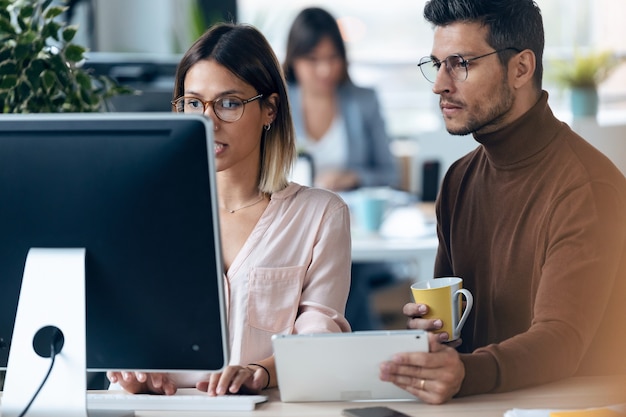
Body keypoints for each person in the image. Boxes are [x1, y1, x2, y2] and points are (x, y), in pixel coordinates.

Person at [379, 0, 626, 405]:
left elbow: (560, 340)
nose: (439, 84)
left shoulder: (587, 186)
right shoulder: (459, 180)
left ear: (521, 68)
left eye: (460, 63)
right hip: (480, 406)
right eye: (436, 64)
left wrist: (466, 373)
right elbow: (452, 331)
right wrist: (433, 336)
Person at [107, 22, 351, 396]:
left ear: (269, 109)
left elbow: (320, 341)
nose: (208, 120)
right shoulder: (143, 215)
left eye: (229, 103)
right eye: (193, 103)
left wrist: (260, 371)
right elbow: (123, 331)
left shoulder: (319, 215)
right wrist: (134, 375)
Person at [283, 7, 401, 330]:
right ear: (293, 59)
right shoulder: (276, 105)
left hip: (355, 227)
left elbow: (391, 174)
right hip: (296, 224)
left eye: (333, 57)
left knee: (346, 271)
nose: (325, 69)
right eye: (312, 59)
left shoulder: (362, 101)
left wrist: (352, 177)